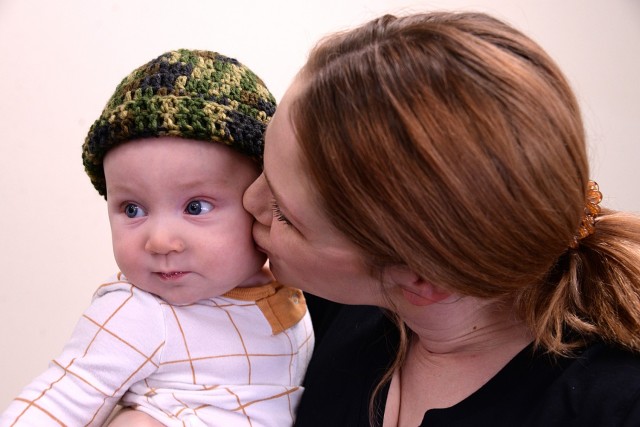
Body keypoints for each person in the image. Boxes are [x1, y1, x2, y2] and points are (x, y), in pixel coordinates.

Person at [241, 11, 640, 427]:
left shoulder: (612, 408)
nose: (250, 200)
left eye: (283, 214)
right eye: (263, 168)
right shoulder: (315, 312)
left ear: (422, 280)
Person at [1, 49, 313, 427]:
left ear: (263, 197)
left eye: (196, 207)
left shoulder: (294, 279)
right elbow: (60, 398)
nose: (161, 241)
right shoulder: (140, 312)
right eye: (133, 210)